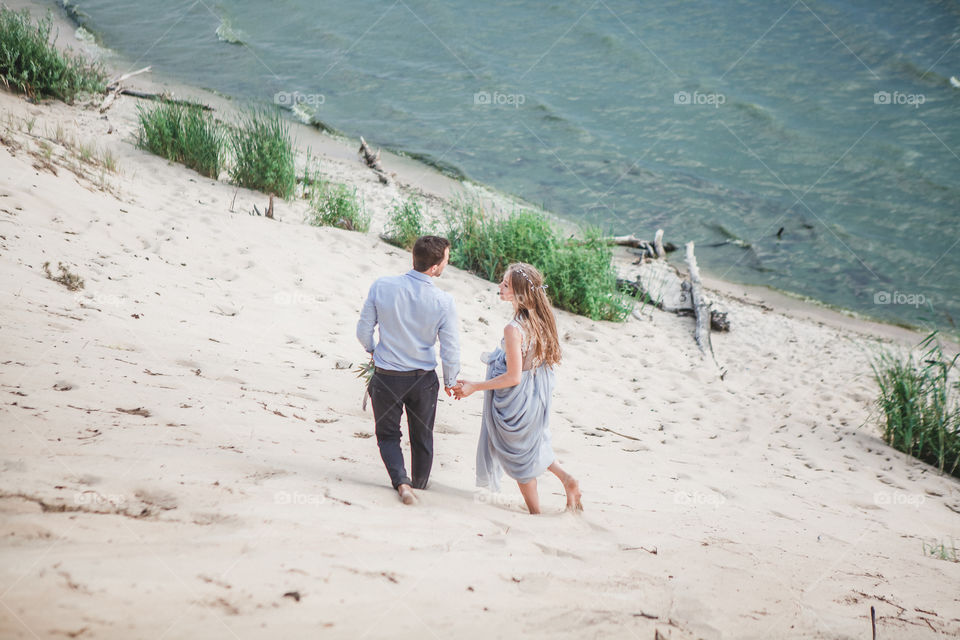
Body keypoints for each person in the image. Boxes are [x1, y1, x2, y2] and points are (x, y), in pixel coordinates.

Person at [453, 262, 582, 514]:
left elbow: (513, 377)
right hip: (538, 392)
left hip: (518, 399)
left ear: (520, 293)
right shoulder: (542, 318)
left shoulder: (514, 329)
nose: (500, 287)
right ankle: (568, 480)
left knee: (519, 456)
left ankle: (535, 513)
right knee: (535, 444)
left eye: (506, 285)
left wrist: (475, 386)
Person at [356, 236, 460, 505]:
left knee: (388, 434)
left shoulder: (382, 286)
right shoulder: (444, 301)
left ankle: (401, 482)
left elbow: (363, 331)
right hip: (422, 379)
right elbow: (450, 349)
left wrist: (372, 350)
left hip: (387, 376)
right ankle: (421, 483)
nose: (447, 262)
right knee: (422, 434)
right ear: (435, 267)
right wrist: (450, 380)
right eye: (446, 259)